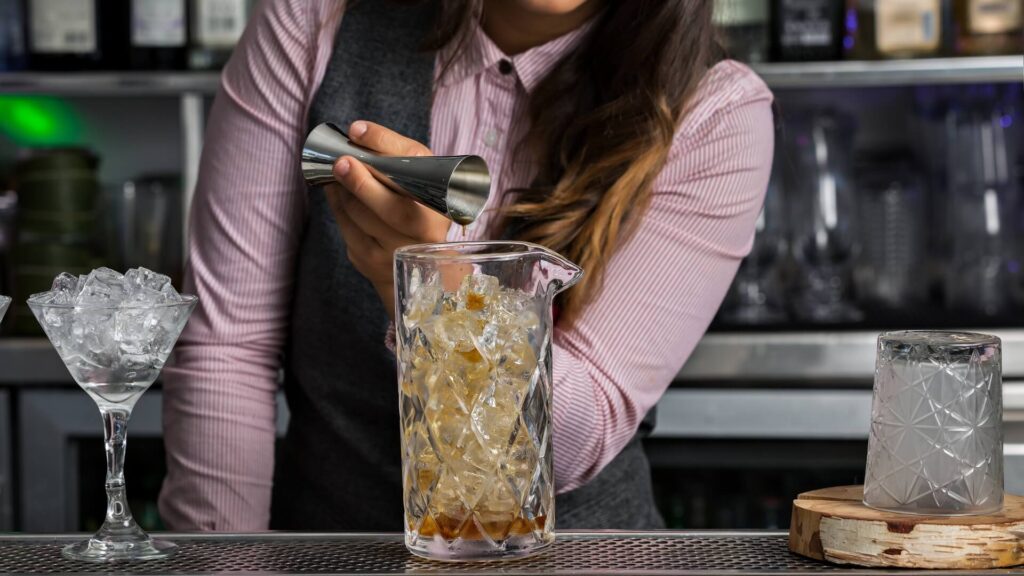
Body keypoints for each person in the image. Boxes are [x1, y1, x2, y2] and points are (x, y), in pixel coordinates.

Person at [158, 0, 774, 531]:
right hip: (328, 549)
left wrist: (436, 288)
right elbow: (227, 349)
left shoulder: (717, 114)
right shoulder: (314, 19)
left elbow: (572, 441)